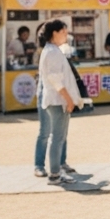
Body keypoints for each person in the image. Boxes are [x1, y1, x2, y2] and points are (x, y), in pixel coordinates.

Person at [35, 20, 80, 184]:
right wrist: (68, 99)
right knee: (57, 137)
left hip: (55, 99)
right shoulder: (52, 52)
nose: (66, 36)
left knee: (57, 137)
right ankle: (55, 173)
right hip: (56, 99)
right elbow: (55, 79)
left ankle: (56, 171)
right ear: (55, 32)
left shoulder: (52, 50)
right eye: (64, 32)